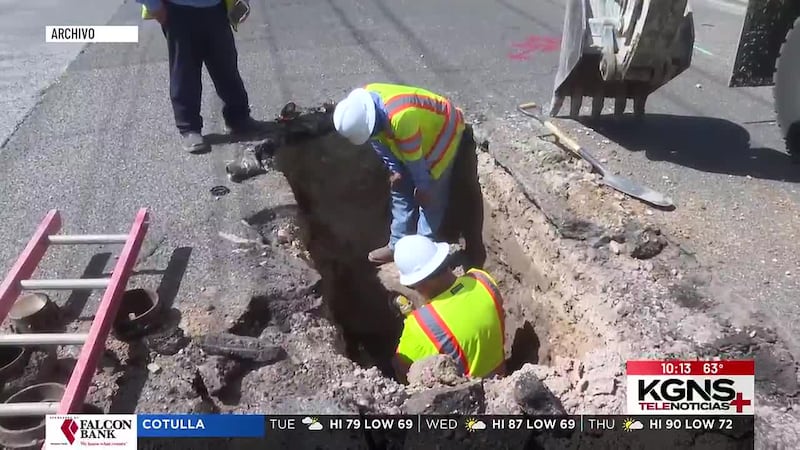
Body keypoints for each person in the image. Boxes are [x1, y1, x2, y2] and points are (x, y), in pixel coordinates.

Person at [333, 83, 482, 265]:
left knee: (431, 197)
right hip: (409, 136)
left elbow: (415, 160)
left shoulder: (401, 117)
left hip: (442, 130)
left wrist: (423, 187)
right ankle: (396, 245)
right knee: (400, 188)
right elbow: (378, 143)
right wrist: (395, 169)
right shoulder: (365, 112)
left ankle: (423, 253)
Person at [138, 0, 261, 153]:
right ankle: (190, 128)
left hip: (217, 9)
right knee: (185, 73)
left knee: (226, 66)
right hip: (178, 11)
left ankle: (238, 118)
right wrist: (153, 5)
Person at [390, 235, 506, 383]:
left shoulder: (418, 326)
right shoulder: (482, 279)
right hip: (501, 378)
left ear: (420, 283)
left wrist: (418, 319)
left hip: (470, 391)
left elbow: (403, 366)